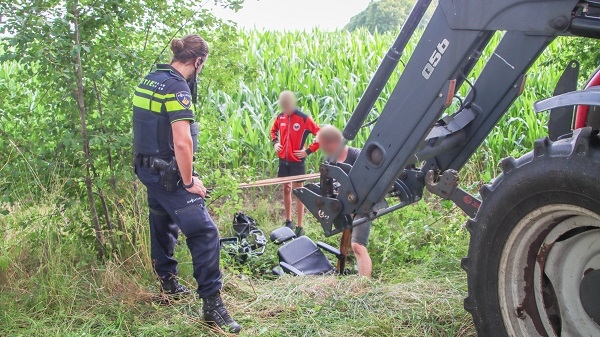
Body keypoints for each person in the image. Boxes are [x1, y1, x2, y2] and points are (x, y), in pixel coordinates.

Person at [132, 34, 241, 334]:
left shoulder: (151, 78)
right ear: (197, 61)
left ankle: (168, 281)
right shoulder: (177, 88)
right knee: (205, 232)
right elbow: (182, 142)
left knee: (162, 217)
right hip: (167, 173)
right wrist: (189, 180)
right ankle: (213, 305)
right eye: (201, 66)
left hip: (146, 167)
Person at [316, 125, 373, 278]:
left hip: (366, 204)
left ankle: (364, 287)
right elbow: (325, 190)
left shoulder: (357, 157)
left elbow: (368, 185)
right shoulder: (330, 161)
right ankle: (343, 269)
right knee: (345, 235)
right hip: (346, 205)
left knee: (358, 246)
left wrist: (355, 209)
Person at [270, 91, 320, 237]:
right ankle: (288, 221)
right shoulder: (281, 117)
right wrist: (275, 143)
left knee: (299, 193)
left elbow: (320, 134)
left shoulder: (303, 118)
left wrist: (308, 151)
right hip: (283, 161)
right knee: (286, 189)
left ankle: (299, 226)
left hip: (297, 161)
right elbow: (273, 131)